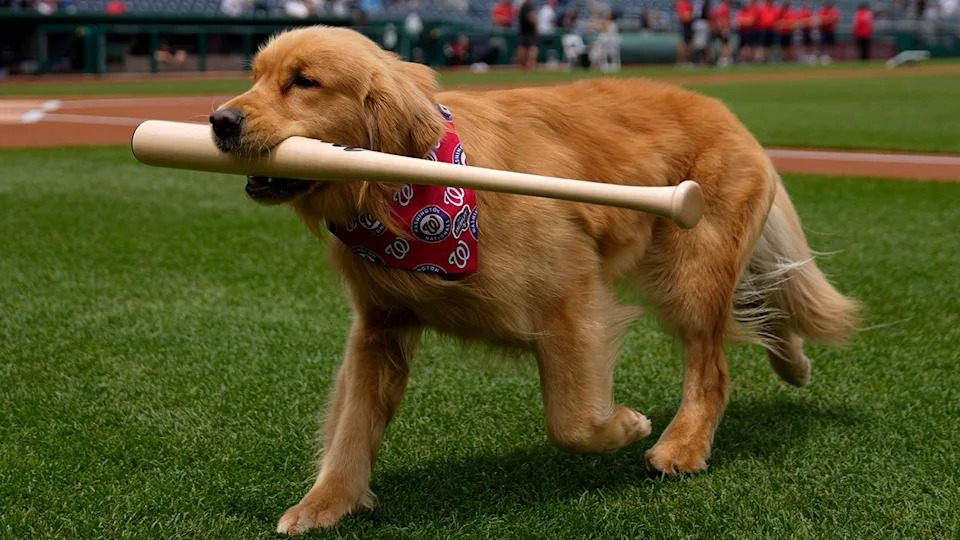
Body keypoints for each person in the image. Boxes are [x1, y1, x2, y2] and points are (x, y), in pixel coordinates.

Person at [515, 0, 538, 70]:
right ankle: (530, 64)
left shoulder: (522, 6)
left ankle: (521, 65)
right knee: (533, 47)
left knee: (522, 47)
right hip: (530, 31)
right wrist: (535, 26)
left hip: (523, 31)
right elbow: (531, 17)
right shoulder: (529, 6)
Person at [711, 0, 733, 66]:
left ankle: (726, 58)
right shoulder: (723, 7)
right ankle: (724, 58)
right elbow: (721, 19)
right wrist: (723, 28)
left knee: (725, 44)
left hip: (724, 27)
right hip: (723, 28)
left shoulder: (723, 7)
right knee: (724, 44)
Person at [676, 0, 694, 65]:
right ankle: (683, 62)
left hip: (686, 26)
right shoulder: (684, 3)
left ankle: (684, 62)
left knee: (686, 44)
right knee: (685, 45)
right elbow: (686, 18)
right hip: (686, 26)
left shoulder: (684, 3)